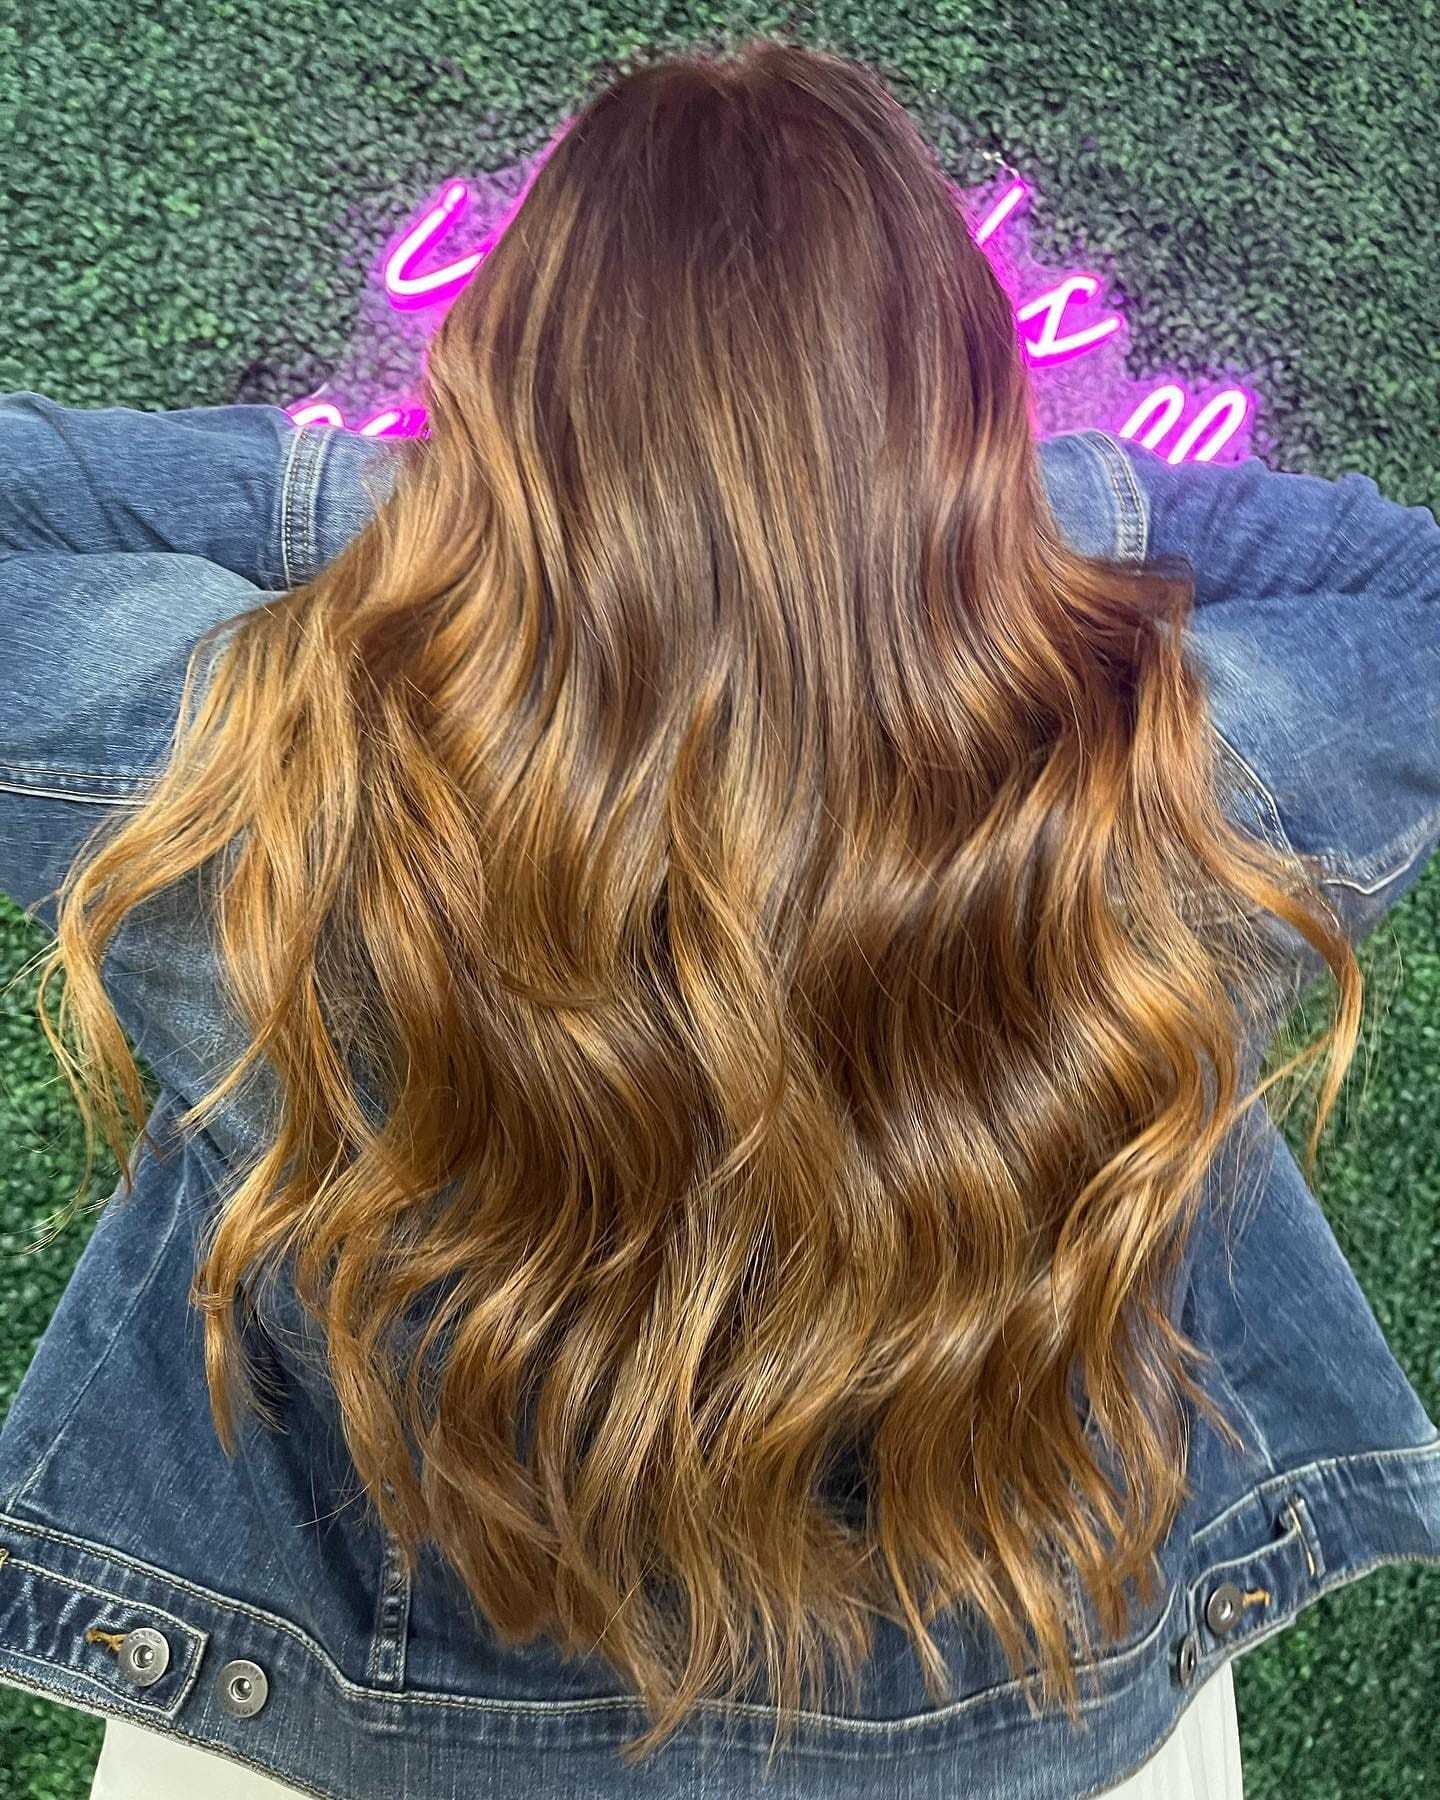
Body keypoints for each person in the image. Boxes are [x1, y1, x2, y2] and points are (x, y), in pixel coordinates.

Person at [0, 36, 1437, 1800]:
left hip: (333, 1726)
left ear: (500, 386)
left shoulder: (251, 752)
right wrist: (938, 523)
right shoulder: (1186, 764)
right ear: (969, 408)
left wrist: (479, 522)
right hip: (1040, 1695)